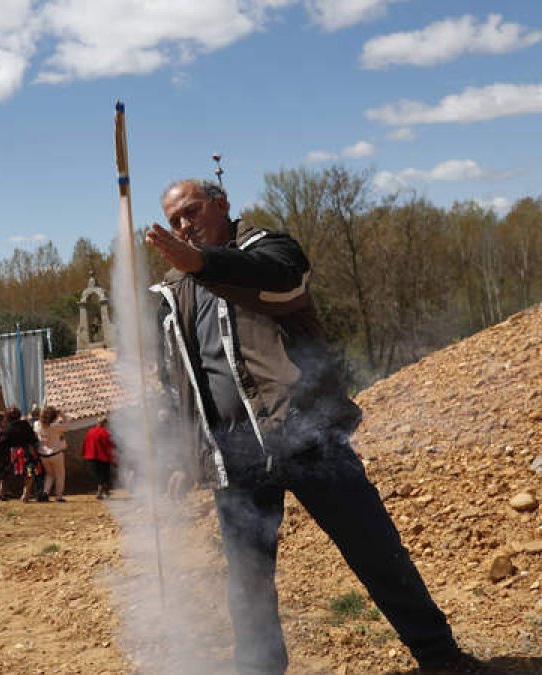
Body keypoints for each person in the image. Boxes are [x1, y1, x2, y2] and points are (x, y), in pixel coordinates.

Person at [145, 178, 466, 674]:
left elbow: (283, 284)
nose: (184, 226)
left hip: (306, 435)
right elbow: (181, 380)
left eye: (191, 212)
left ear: (222, 204)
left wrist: (204, 264)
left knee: (374, 550)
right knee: (248, 583)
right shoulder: (175, 290)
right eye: (174, 221)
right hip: (236, 455)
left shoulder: (268, 249)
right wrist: (188, 455)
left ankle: (441, 658)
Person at [2, 406, 41, 502]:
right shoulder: (25, 425)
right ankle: (26, 493)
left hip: (14, 454)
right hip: (26, 453)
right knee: (29, 472)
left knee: (20, 473)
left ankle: (5, 492)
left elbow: (5, 442)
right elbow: (33, 438)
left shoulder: (7, 428)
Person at [33, 406, 69, 502]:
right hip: (56, 454)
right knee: (60, 475)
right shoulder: (55, 426)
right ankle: (59, 496)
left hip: (43, 455)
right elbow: (67, 423)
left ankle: (45, 492)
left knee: (49, 475)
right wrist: (61, 414)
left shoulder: (37, 424)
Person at [81, 416, 115, 500]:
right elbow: (109, 446)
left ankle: (104, 492)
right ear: (105, 424)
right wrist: (113, 458)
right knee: (104, 475)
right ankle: (102, 492)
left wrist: (83, 453)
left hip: (91, 457)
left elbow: (85, 443)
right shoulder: (105, 433)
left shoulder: (90, 431)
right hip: (103, 458)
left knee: (98, 475)